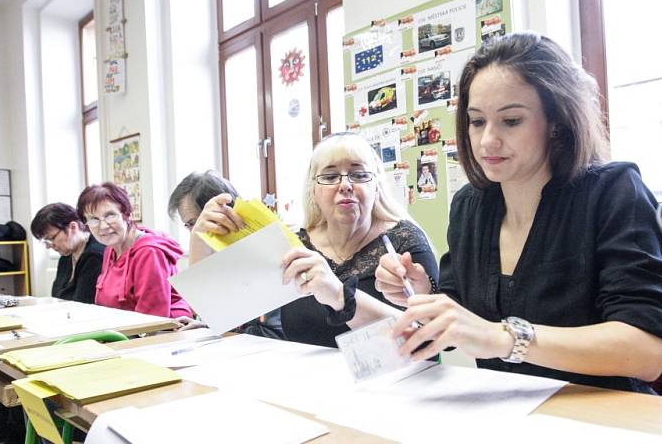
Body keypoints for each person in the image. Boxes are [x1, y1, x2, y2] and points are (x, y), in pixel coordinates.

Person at [375, 32, 662, 392]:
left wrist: (505, 338)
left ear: (557, 122)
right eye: (477, 121)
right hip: (504, 412)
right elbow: (461, 321)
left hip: (603, 416)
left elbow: (646, 352)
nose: (487, 141)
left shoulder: (612, 191)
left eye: (511, 121)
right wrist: (421, 291)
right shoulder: (470, 205)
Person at [191, 132, 438, 346]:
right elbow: (218, 314)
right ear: (314, 193)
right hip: (306, 385)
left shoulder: (403, 242)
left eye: (359, 175)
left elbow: (428, 339)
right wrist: (200, 240)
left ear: (377, 187)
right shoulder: (295, 247)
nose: (345, 185)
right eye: (330, 177)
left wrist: (340, 295)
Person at [0, 204, 104, 444]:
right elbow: (62, 299)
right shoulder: (66, 259)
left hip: (89, 340)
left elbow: (84, 307)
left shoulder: (96, 255)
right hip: (68, 333)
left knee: (28, 375)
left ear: (72, 227)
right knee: (8, 364)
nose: (51, 246)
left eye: (51, 238)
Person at [167, 171, 282, 338]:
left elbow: (268, 331)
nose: (194, 231)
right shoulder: (218, 257)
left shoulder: (262, 249)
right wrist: (208, 325)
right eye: (189, 226)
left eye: (194, 223)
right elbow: (219, 312)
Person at [77, 182, 191, 318]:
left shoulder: (149, 252)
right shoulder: (111, 249)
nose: (103, 226)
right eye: (93, 219)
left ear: (127, 214)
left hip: (165, 331)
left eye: (110, 215)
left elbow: (153, 318)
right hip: (125, 329)